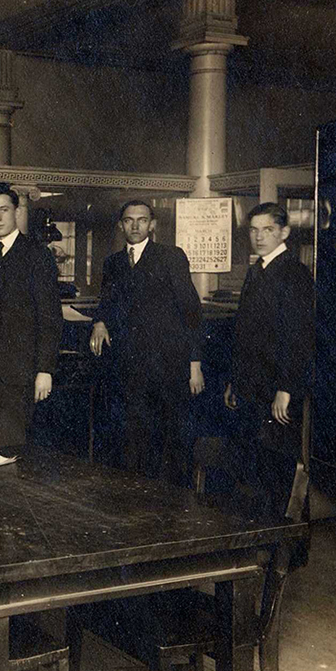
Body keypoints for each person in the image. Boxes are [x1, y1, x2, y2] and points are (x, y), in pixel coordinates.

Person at [90, 200, 204, 481]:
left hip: (167, 367)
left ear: (152, 225)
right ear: (121, 225)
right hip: (128, 369)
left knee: (168, 444)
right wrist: (100, 322)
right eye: (129, 220)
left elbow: (192, 311)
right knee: (132, 441)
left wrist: (194, 363)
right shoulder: (113, 263)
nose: (135, 225)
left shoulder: (170, 257)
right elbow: (107, 301)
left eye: (142, 220)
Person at [0, 183, 63, 456]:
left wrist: (45, 370)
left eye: (4, 210)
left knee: (15, 448)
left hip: (24, 373)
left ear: (17, 212)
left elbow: (50, 317)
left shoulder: (37, 255)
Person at [225, 202, 314, 521]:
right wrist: (236, 380)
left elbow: (299, 336)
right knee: (256, 465)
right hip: (252, 386)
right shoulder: (257, 270)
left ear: (284, 232)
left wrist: (286, 389)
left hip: (277, 390)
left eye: (268, 230)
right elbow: (246, 333)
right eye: (254, 230)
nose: (259, 237)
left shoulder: (294, 272)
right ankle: (262, 538)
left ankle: (285, 547)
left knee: (280, 470)